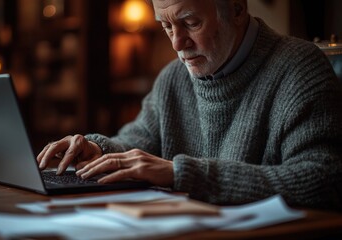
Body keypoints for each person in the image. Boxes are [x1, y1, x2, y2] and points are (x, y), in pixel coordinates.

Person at [37, 0, 342, 211]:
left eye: (190, 22)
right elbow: (136, 144)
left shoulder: (300, 68)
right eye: (166, 26)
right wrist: (98, 152)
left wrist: (181, 173)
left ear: (236, 9)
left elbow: (323, 180)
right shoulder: (173, 78)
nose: (176, 43)